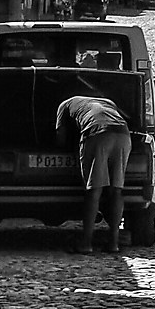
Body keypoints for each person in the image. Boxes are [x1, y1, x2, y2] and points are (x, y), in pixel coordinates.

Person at [56, 63, 131, 253]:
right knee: (116, 190)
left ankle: (86, 243)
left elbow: (60, 137)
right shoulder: (107, 101)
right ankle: (113, 243)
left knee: (94, 191)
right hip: (123, 134)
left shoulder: (65, 104)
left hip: (97, 134)